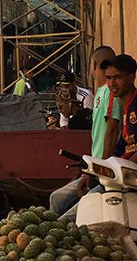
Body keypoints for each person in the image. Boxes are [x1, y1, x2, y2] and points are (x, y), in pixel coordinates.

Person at [49, 45, 131, 220]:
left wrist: (103, 169)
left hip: (106, 172)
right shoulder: (100, 93)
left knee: (69, 220)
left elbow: (111, 131)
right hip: (95, 169)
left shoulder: (110, 93)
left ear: (94, 65)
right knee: (56, 199)